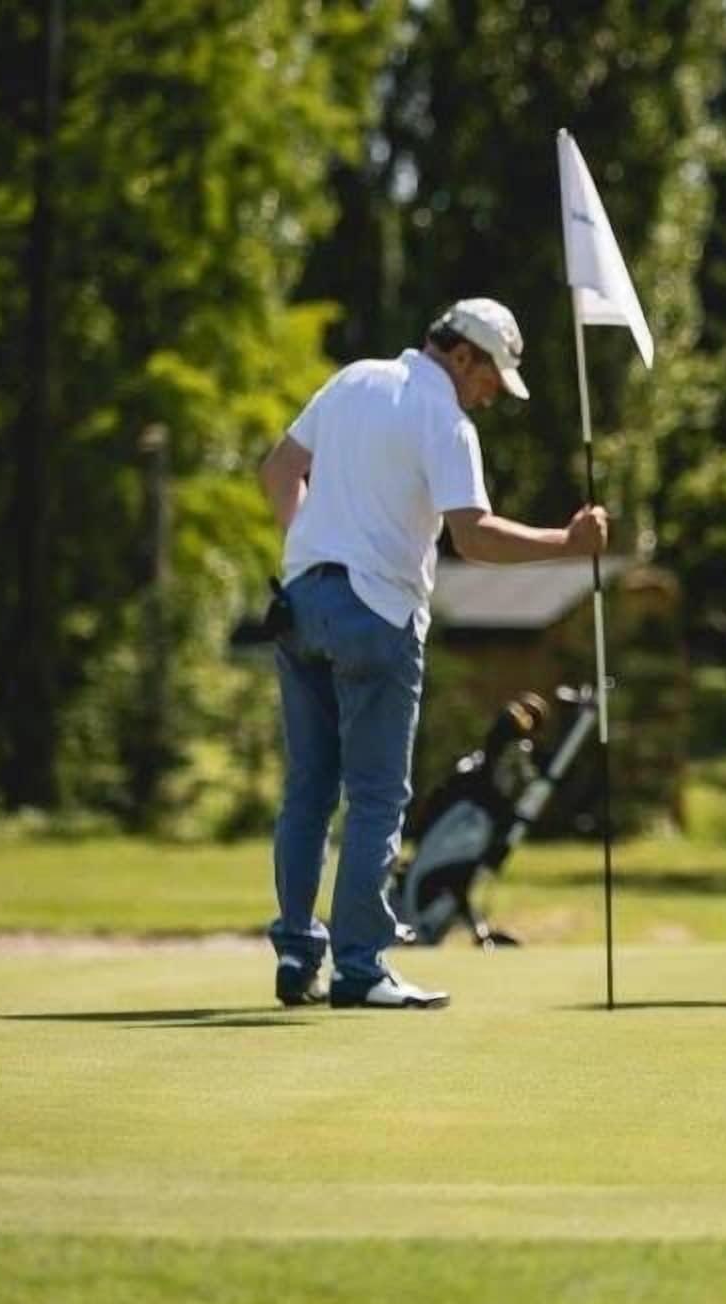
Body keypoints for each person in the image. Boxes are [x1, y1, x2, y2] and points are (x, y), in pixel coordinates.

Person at [255, 297, 608, 1009]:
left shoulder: (353, 379)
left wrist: (308, 544)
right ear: (462, 355)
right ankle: (360, 968)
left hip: (301, 604)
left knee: (309, 790)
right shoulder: (444, 418)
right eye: (490, 377)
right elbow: (473, 537)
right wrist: (568, 543)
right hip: (375, 613)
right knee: (377, 797)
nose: (490, 394)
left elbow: (277, 471)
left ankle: (297, 951)